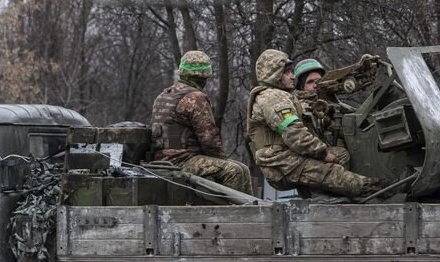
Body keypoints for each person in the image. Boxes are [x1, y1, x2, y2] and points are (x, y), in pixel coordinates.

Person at [246, 49, 380, 198]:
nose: (292, 77)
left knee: (341, 156)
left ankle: (331, 197)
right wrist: (323, 154)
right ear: (274, 74)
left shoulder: (283, 97)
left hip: (289, 159)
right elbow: (294, 134)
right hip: (282, 163)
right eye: (287, 72)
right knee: (348, 181)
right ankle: (378, 189)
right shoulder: (273, 97)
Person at [150, 50, 253, 195]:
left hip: (161, 162)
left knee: (240, 168)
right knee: (235, 170)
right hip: (182, 163)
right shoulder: (195, 97)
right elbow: (209, 140)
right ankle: (236, 215)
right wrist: (222, 161)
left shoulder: (163, 95)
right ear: (204, 76)